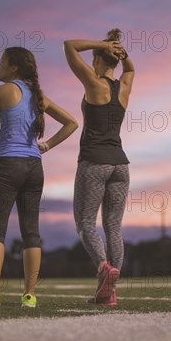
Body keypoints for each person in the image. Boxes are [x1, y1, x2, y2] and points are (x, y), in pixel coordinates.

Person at [0, 47, 78, 309]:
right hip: (34, 167)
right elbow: (72, 122)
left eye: (1, 62)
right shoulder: (38, 96)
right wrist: (47, 145)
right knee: (32, 233)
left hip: (7, 165)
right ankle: (29, 296)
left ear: (14, 67)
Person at [64, 29, 135, 306]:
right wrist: (120, 51)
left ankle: (103, 266)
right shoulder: (124, 88)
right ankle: (109, 292)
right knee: (113, 227)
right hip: (121, 165)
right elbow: (130, 67)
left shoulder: (94, 84)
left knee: (84, 224)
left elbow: (69, 45)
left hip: (94, 163)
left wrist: (103, 45)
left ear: (96, 60)